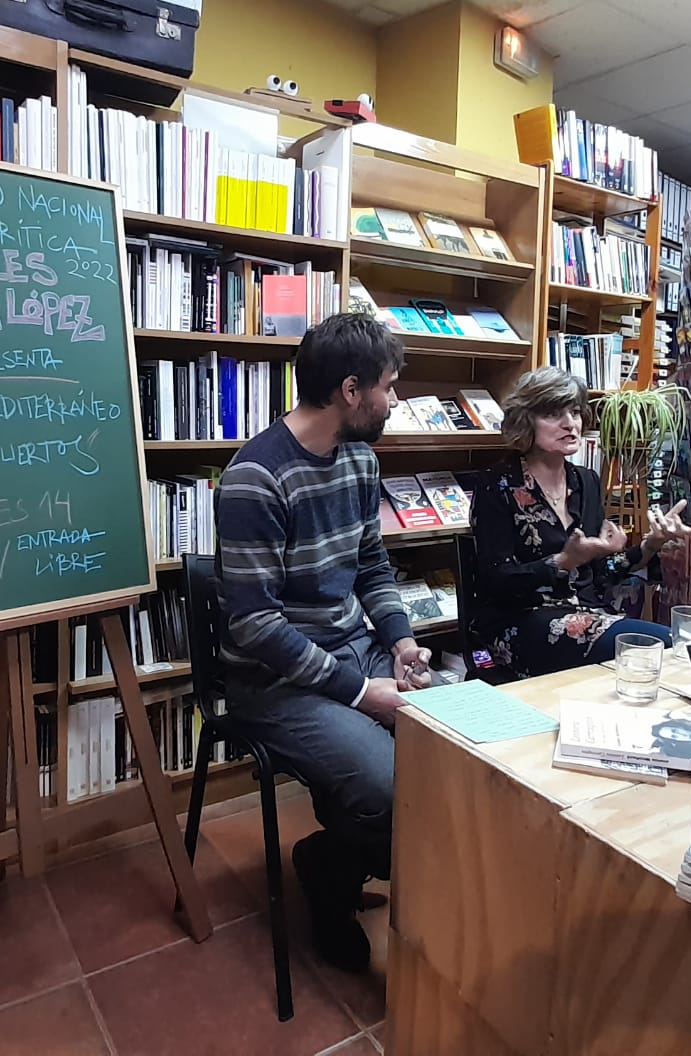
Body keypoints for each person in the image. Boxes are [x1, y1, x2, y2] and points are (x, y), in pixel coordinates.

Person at [214, 313, 432, 972]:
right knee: (387, 785)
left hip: (352, 653)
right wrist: (362, 693)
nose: (394, 400)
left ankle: (345, 844)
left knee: (456, 745)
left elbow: (371, 566)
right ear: (350, 390)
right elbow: (255, 626)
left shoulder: (359, 459)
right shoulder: (256, 477)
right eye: (388, 386)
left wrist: (400, 642)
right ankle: (328, 870)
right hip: (272, 682)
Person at [469, 367, 691, 677]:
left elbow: (602, 574)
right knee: (655, 644)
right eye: (553, 414)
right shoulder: (496, 485)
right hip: (519, 620)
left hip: (587, 612)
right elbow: (496, 581)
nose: (570, 423)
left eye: (575, 412)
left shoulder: (586, 481)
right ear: (525, 420)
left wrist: (651, 544)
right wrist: (563, 561)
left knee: (674, 643)